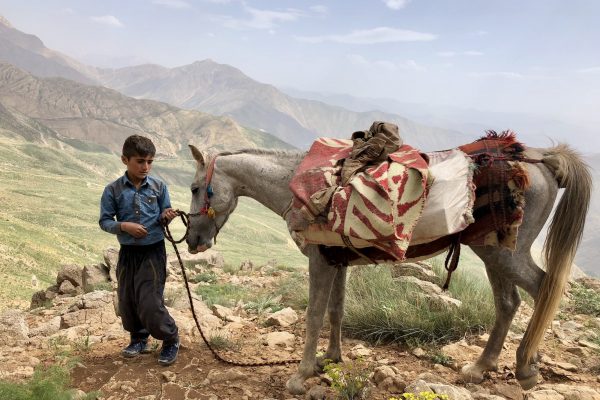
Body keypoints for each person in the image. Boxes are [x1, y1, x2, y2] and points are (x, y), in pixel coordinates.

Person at [99, 134, 180, 366]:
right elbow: (104, 221)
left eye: (150, 162)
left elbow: (165, 212)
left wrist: (167, 216)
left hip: (153, 252)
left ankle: (170, 338)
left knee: (150, 301)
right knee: (128, 299)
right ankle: (138, 338)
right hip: (127, 253)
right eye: (140, 161)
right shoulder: (113, 190)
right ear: (125, 160)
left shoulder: (159, 187)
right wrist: (123, 226)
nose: (146, 167)